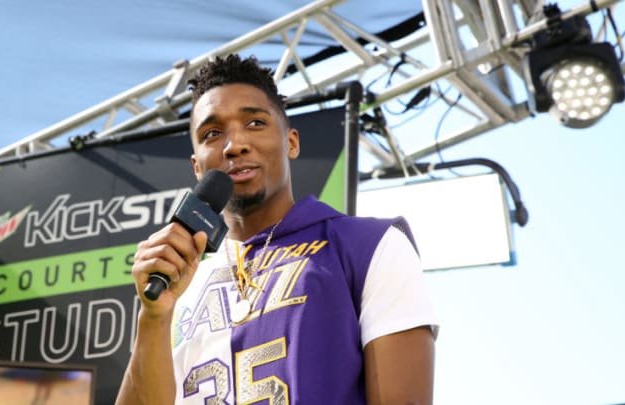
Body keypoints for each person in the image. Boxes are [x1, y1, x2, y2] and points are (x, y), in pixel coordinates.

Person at [116, 54, 437, 404]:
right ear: (197, 166)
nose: (234, 144)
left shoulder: (372, 246)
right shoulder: (179, 285)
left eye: (254, 123)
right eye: (212, 133)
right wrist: (154, 317)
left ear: (292, 142)